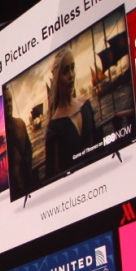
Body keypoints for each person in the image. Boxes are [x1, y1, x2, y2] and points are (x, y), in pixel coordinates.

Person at [41, 49, 97, 181]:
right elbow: (52, 175)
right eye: (65, 71)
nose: (71, 75)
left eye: (72, 68)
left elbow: (97, 144)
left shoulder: (86, 105)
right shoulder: (54, 128)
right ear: (56, 78)